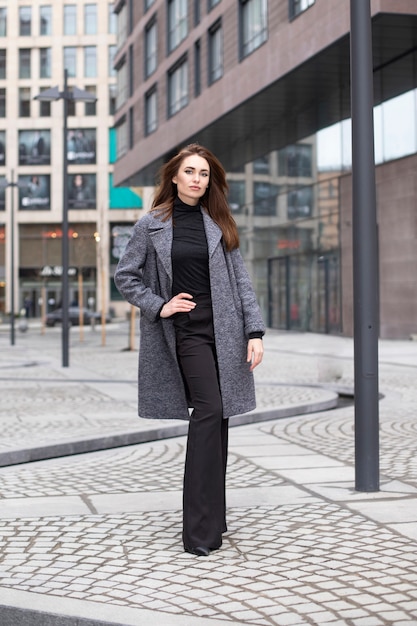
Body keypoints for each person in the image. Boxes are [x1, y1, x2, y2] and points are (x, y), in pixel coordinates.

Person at [114, 143, 265, 557]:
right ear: (175, 177)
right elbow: (125, 277)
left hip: (227, 333)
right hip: (186, 334)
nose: (197, 179)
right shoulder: (151, 225)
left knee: (219, 420)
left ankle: (214, 518)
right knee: (209, 411)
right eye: (190, 171)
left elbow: (241, 282)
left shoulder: (218, 222)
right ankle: (198, 531)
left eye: (203, 173)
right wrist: (160, 306)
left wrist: (254, 331)